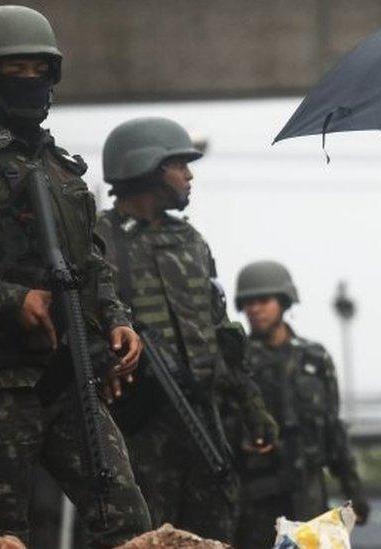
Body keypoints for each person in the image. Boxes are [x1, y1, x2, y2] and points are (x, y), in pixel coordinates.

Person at [0, 6, 150, 546]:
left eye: (37, 70)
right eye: (13, 71)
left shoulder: (65, 173)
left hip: (69, 382)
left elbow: (93, 268)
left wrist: (117, 322)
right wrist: (13, 301)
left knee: (131, 525)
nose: (28, 83)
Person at [96, 117, 278, 543]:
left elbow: (222, 333)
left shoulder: (190, 241)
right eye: (181, 165)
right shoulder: (98, 240)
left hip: (202, 418)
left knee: (212, 528)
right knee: (144, 534)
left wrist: (252, 407)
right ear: (150, 167)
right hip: (137, 427)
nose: (189, 175)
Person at [234, 260, 368, 549]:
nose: (254, 309)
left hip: (308, 493)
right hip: (256, 496)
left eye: (263, 300)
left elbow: (333, 428)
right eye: (248, 303)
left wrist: (353, 489)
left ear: (283, 302)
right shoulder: (235, 363)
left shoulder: (313, 358)